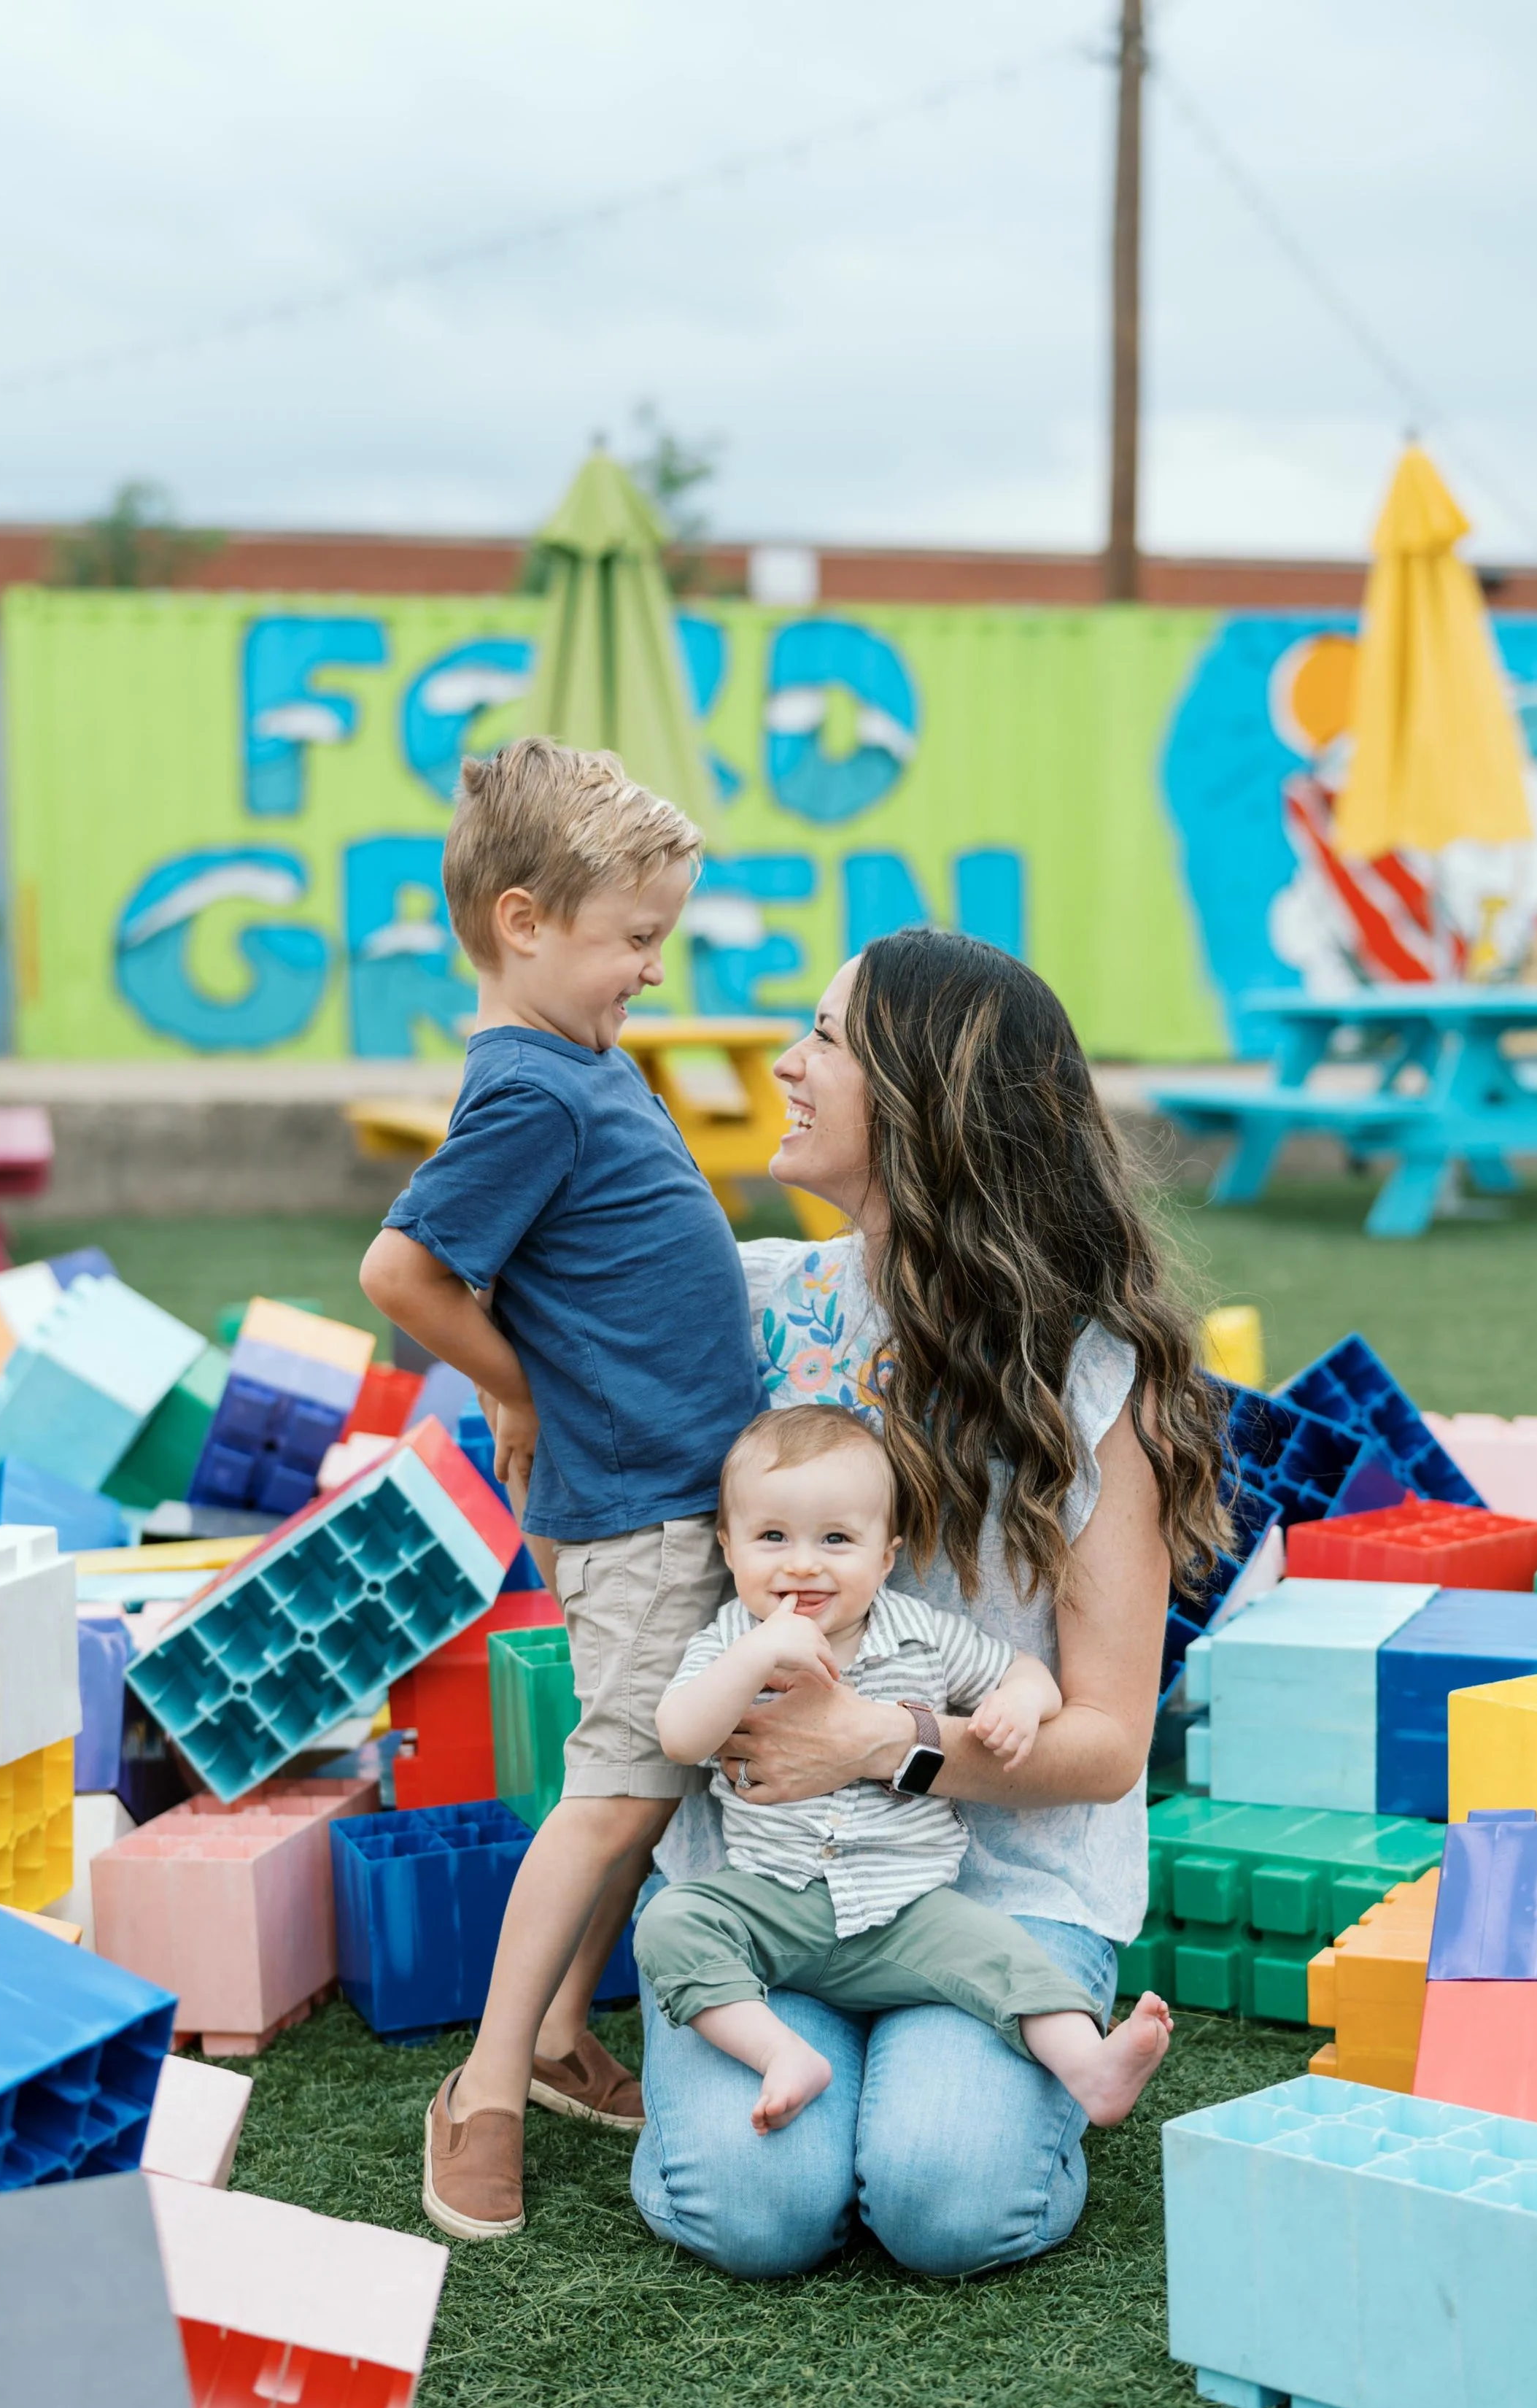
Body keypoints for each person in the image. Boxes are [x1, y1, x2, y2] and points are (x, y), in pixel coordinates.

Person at [630, 929, 1228, 2279]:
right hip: (770, 1879)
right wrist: (504, 1381)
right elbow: (523, 1288)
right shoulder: (758, 1302)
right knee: (756, 2213)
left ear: (925, 1101)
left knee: (944, 2203)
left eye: (827, 1039)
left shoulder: (1092, 1384)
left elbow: (1105, 1745)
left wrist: (878, 1746)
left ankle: (985, 2094)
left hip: (1003, 1887)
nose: (785, 1064)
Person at [358, 736, 764, 2241]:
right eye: (634, 940)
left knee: (649, 1790)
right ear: (523, 922)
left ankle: (544, 2040)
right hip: (635, 1505)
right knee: (611, 1796)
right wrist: (512, 1384)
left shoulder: (579, 1062)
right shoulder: (529, 1089)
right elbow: (401, 1269)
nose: (651, 971)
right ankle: (477, 2087)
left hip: (678, 1486)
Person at [637, 1403, 1175, 2135]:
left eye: (835, 1539)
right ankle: (781, 2053)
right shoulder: (732, 1639)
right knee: (671, 1923)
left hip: (909, 1912)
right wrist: (759, 1654)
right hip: (771, 1903)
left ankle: (1091, 2066)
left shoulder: (919, 1633)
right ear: (728, 1548)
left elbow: (1024, 1671)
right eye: (771, 1537)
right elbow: (678, 1734)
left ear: (885, 1556)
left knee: (1004, 1955)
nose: (802, 1562)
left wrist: (1021, 1700)